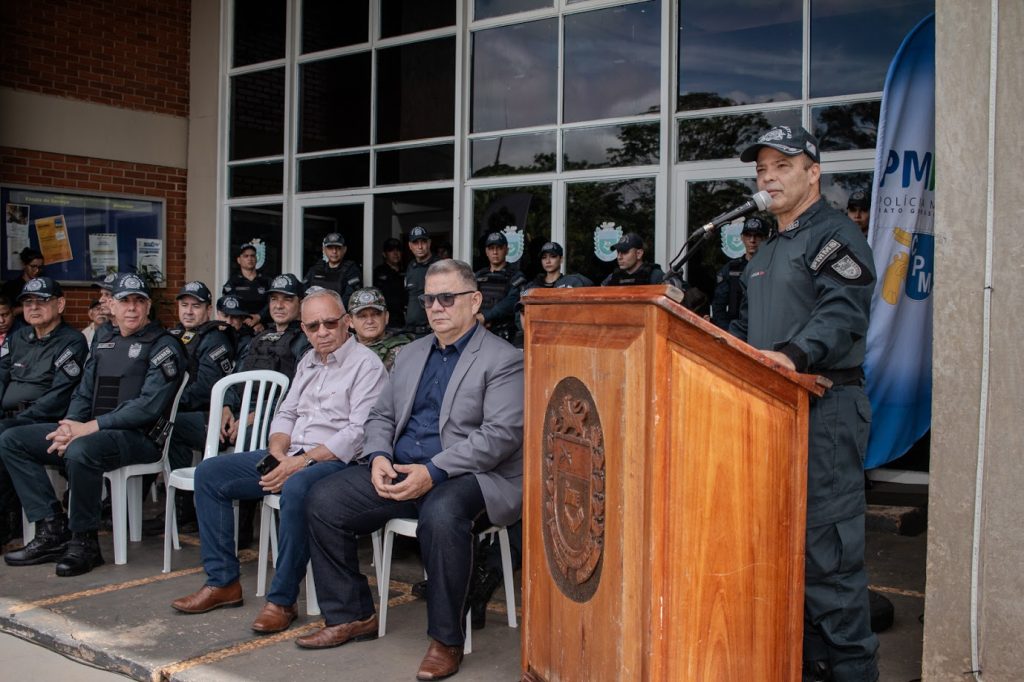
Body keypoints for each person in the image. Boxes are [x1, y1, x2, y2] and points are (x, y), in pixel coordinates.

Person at [298, 259, 524, 682]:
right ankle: (352, 615)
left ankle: (445, 640)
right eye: (429, 298)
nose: (436, 307)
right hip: (402, 466)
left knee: (441, 516)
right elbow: (381, 415)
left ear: (475, 301)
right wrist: (380, 455)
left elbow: (500, 437)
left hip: (470, 475)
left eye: (447, 297)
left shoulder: (504, 358)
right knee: (323, 500)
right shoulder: (412, 353)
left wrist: (434, 470)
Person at [731, 125, 878, 682]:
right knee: (780, 556)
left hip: (826, 410)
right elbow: (744, 331)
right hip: (770, 414)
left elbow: (843, 312)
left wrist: (794, 354)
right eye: (761, 169)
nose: (768, 176)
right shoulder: (767, 249)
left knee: (827, 561)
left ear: (814, 173)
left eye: (782, 166)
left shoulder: (834, 236)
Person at [170, 288, 388, 634]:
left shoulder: (366, 365)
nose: (322, 332)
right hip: (291, 453)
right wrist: (277, 452)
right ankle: (222, 582)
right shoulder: (308, 361)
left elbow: (356, 433)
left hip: (335, 461)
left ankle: (282, 599)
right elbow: (285, 412)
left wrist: (298, 464)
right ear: (303, 330)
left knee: (298, 488)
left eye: (330, 323)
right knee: (210, 474)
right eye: (313, 326)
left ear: (347, 323)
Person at [0, 273, 186, 576]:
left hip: (139, 439)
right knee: (12, 440)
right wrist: (70, 424)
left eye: (139, 301)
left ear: (149, 306)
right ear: (111, 305)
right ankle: (52, 527)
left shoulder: (163, 345)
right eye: (125, 300)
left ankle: (84, 542)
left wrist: (89, 427)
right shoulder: (105, 341)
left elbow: (147, 407)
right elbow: (84, 392)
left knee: (81, 449)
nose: (132, 308)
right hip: (95, 432)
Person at [220, 273, 310, 548]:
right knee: (207, 432)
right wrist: (227, 408)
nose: (279, 305)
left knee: (247, 442)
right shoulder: (257, 339)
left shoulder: (303, 341)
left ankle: (242, 532)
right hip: (245, 413)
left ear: (300, 303)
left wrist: (253, 418)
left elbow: (297, 395)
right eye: (274, 299)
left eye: (287, 299)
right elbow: (237, 379)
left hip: (278, 420)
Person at [0, 278, 89, 547]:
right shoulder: (18, 338)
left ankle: (40, 522)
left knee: (5, 436)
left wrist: (19, 420)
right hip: (11, 418)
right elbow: (2, 376)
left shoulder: (71, 342)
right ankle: (10, 518)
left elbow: (59, 396)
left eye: (42, 301)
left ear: (60, 304)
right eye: (28, 303)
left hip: (48, 422)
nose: (34, 307)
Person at [166, 282, 236, 473]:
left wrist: (166, 402)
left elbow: (204, 389)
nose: (188, 311)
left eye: (196, 306)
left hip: (209, 417)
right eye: (184, 305)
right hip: (178, 410)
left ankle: (182, 495)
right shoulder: (173, 334)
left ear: (208, 309)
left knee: (167, 427)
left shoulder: (215, 338)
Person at [710, 217, 769, 330]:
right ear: (742, 238)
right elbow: (718, 307)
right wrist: (729, 334)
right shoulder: (731, 269)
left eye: (757, 236)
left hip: (764, 332)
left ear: (765, 239)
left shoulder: (772, 268)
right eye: (748, 235)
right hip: (736, 332)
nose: (752, 240)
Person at [474, 232, 526, 344]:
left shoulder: (516, 276)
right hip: (480, 332)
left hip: (504, 335)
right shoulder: (478, 276)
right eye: (491, 248)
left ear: (506, 250)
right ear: (486, 252)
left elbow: (511, 301)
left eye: (499, 248)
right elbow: (469, 298)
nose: (495, 252)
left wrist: (485, 317)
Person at [347, 288, 411, 371]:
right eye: (362, 316)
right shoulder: (341, 349)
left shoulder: (404, 350)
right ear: (350, 321)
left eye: (376, 314)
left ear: (386, 317)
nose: (370, 321)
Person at [303, 232, 362, 303]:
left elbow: (351, 296)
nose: (334, 251)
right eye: (330, 248)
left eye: (338, 248)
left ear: (344, 249)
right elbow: (303, 291)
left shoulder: (351, 270)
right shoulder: (315, 269)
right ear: (324, 249)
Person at [221, 243, 269, 330]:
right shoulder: (233, 282)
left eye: (252, 256)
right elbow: (230, 306)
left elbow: (271, 303)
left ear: (256, 258)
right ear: (239, 260)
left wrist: (259, 317)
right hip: (240, 327)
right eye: (246, 256)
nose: (250, 258)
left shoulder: (266, 281)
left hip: (263, 327)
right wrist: (246, 320)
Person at [403, 226, 438, 338]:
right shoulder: (410, 267)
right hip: (410, 332)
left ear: (429, 243)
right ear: (410, 246)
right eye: (415, 242)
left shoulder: (440, 266)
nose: (420, 246)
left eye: (423, 241)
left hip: (430, 331)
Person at [521, 241, 593, 292]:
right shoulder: (532, 285)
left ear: (561, 259)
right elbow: (521, 311)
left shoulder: (571, 282)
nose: (548, 261)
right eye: (544, 257)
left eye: (553, 256)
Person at [600, 233, 665, 286]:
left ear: (639, 254)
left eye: (624, 252)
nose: (619, 257)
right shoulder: (612, 278)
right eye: (618, 252)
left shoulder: (655, 276)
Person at [2, 248, 45, 322]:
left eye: (40, 267)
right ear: (24, 265)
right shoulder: (11, 286)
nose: (37, 270)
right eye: (33, 266)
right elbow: (9, 312)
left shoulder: (44, 285)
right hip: (18, 325)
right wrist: (31, 305)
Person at [373, 237, 407, 330]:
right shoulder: (378, 272)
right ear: (384, 254)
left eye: (398, 250)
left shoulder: (406, 271)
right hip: (385, 319)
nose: (395, 253)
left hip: (403, 319)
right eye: (391, 250)